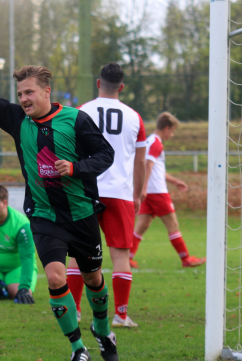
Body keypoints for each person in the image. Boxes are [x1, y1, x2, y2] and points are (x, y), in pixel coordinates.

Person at [0, 22, 117, 361]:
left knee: (95, 279)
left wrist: (76, 167)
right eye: (20, 93)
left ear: (47, 92)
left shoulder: (76, 119)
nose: (23, 99)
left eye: (29, 92)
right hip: (45, 216)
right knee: (54, 277)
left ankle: (101, 329)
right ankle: (77, 349)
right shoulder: (16, 120)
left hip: (82, 214)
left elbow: (106, 155)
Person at [67, 63, 146, 328]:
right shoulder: (135, 117)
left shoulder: (81, 111)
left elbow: (69, 151)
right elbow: (140, 162)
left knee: (78, 252)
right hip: (120, 194)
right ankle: (121, 315)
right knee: (121, 255)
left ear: (98, 84)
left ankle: (74, 310)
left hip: (86, 190)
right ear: (122, 87)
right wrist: (137, 194)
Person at [130, 112, 206, 268]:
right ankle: (186, 259)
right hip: (157, 192)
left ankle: (128, 257)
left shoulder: (149, 141)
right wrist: (143, 188)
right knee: (173, 225)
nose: (172, 134)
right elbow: (148, 165)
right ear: (166, 128)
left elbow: (156, 169)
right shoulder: (156, 143)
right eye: (172, 131)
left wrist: (175, 181)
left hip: (150, 192)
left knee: (142, 225)